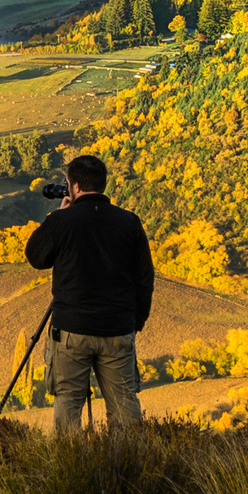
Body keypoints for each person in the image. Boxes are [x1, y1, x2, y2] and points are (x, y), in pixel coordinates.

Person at [22, 153, 151, 435]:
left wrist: (56, 217)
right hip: (117, 329)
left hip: (72, 330)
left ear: (74, 186)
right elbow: (145, 279)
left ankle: (70, 466)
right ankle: (130, 463)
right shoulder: (129, 223)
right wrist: (135, 322)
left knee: (68, 400)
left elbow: (36, 256)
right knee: (124, 403)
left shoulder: (62, 221)